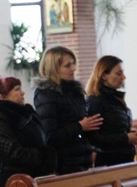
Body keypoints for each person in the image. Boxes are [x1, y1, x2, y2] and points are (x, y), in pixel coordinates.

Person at [0, 76, 56, 187]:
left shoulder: (27, 113)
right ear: (2, 97)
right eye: (17, 89)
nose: (22, 93)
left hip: (34, 177)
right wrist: (45, 156)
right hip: (13, 183)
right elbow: (13, 152)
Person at [33, 46, 103, 175]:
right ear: (54, 69)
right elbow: (50, 136)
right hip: (63, 164)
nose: (73, 68)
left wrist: (91, 148)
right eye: (67, 65)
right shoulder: (46, 95)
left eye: (73, 64)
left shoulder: (74, 91)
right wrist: (79, 126)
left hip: (81, 159)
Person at [86, 55, 137, 166]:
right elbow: (93, 138)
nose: (123, 77)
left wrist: (131, 134)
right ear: (103, 75)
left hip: (124, 158)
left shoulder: (115, 98)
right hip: (109, 161)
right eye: (119, 73)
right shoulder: (96, 101)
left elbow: (112, 129)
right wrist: (125, 138)